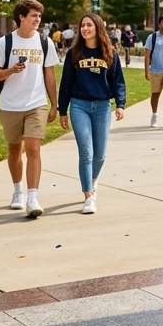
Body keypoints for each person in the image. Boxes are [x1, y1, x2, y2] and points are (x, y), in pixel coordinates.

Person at [0, 0, 59, 218]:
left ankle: (32, 198)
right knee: (14, 150)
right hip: (10, 104)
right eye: (33, 15)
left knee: (34, 149)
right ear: (21, 17)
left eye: (39, 16)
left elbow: (50, 75)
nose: (38, 19)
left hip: (36, 103)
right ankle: (18, 191)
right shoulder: (5, 42)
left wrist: (54, 104)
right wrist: (11, 70)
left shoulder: (45, 42)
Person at [57, 14, 126, 215]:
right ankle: (88, 196)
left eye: (89, 25)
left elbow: (118, 81)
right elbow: (66, 83)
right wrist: (63, 111)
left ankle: (93, 179)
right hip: (79, 106)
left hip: (102, 107)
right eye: (82, 25)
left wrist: (120, 104)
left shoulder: (110, 52)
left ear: (97, 28)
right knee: (86, 152)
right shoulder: (74, 53)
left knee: (100, 154)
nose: (85, 29)